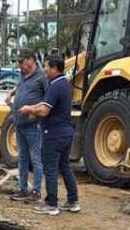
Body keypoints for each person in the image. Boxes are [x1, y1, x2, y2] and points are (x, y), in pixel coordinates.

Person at [18, 54, 78, 215]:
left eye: (46, 66)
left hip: (54, 134)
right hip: (66, 133)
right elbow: (44, 103)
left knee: (51, 169)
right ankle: (73, 201)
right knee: (65, 167)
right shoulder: (63, 83)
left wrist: (28, 110)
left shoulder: (55, 86)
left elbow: (44, 111)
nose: (44, 69)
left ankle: (51, 204)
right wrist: (31, 107)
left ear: (54, 68)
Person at [5, 47, 48, 203]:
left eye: (21, 62)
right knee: (22, 158)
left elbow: (49, 100)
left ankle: (36, 191)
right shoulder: (22, 74)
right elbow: (19, 86)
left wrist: (32, 110)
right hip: (19, 123)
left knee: (35, 159)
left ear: (30, 60)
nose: (19, 65)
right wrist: (11, 93)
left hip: (33, 125)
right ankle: (22, 188)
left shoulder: (42, 76)